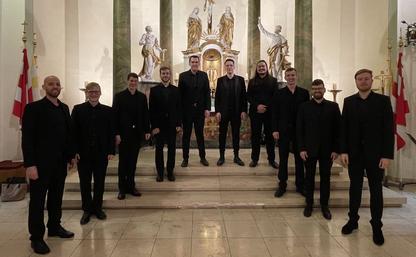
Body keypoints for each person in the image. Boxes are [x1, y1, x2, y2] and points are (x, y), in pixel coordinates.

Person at [22, 75, 75, 255]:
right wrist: (30, 164)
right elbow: (27, 139)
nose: (55, 86)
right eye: (51, 84)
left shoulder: (64, 108)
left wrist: (70, 157)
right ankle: (36, 237)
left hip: (60, 163)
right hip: (40, 164)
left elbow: (68, 135)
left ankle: (54, 226)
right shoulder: (33, 108)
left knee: (56, 197)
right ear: (44, 87)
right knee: (37, 201)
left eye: (58, 84)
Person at [340, 69, 394, 246]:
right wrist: (344, 151)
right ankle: (353, 221)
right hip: (354, 155)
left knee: (376, 190)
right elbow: (344, 129)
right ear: (355, 81)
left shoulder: (383, 101)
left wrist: (387, 155)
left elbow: (388, 130)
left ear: (371, 81)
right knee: (354, 189)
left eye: (366, 79)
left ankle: (376, 226)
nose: (363, 81)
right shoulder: (348, 102)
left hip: (376, 155)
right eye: (360, 79)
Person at [296, 79, 341, 219]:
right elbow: (300, 129)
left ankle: (324, 206)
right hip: (309, 150)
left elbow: (338, 130)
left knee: (325, 179)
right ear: (311, 91)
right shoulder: (304, 107)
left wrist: (336, 149)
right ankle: (308, 205)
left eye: (319, 88)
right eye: (314, 89)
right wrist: (301, 148)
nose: (317, 91)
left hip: (328, 150)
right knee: (308, 178)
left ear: (324, 89)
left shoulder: (333, 107)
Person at [71, 82, 115, 225]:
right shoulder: (78, 110)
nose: (94, 94)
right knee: (85, 182)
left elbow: (111, 132)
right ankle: (87, 210)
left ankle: (98, 208)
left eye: (96, 91)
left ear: (100, 93)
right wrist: (75, 151)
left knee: (99, 182)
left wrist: (111, 151)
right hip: (83, 154)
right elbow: (73, 132)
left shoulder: (108, 111)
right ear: (87, 93)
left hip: (101, 153)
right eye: (91, 91)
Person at [113, 72, 151, 200]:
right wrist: (116, 133)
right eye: (131, 81)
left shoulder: (141, 97)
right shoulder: (119, 96)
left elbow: (146, 114)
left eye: (135, 81)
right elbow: (115, 117)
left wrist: (147, 130)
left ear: (137, 83)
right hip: (123, 135)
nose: (133, 83)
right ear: (127, 81)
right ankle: (122, 189)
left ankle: (131, 186)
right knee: (123, 162)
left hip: (136, 135)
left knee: (133, 162)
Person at [272, 67, 309, 198]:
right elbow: (275, 113)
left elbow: (307, 113)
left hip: (299, 132)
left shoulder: (304, 93)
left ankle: (300, 184)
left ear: (296, 76)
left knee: (300, 159)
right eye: (288, 75)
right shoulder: (279, 93)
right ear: (285, 77)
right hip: (283, 131)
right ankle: (282, 184)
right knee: (283, 159)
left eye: (293, 75)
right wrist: (275, 129)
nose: (291, 78)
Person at [149, 66, 182, 182]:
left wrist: (179, 124)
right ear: (160, 74)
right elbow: (151, 110)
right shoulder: (154, 90)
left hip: (172, 125)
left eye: (167, 73)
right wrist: (154, 127)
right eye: (163, 73)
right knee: (159, 150)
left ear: (170, 75)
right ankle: (160, 173)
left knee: (172, 150)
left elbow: (179, 109)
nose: (166, 75)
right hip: (159, 126)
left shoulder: (176, 90)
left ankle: (170, 171)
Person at [178, 55, 211, 167]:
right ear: (190, 63)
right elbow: (180, 96)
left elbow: (207, 93)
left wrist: (207, 108)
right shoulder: (182, 76)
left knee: (200, 135)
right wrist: (181, 112)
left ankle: (203, 157)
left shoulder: (204, 75)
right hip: (187, 112)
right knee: (186, 136)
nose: (195, 63)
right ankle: (185, 159)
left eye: (197, 62)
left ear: (199, 63)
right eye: (193, 62)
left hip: (200, 111)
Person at [214, 59, 247, 166]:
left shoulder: (240, 80)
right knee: (222, 135)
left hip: (236, 112)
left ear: (234, 67)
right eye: (227, 65)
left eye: (231, 65)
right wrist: (217, 111)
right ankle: (221, 157)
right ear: (225, 67)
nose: (229, 67)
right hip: (223, 113)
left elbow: (243, 97)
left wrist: (243, 110)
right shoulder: (220, 80)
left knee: (236, 135)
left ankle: (236, 156)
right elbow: (217, 97)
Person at [247, 60, 278, 168]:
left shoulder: (273, 81)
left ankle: (272, 159)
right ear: (257, 69)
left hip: (269, 113)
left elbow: (275, 97)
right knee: (255, 136)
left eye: (263, 66)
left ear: (266, 67)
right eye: (259, 66)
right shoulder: (252, 81)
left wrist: (265, 107)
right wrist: (257, 106)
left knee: (270, 137)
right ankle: (254, 159)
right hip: (255, 112)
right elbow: (249, 96)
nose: (261, 68)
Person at [257, 17, 290, 81]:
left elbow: (285, 44)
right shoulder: (272, 35)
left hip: (278, 52)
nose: (276, 29)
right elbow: (264, 31)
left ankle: (279, 79)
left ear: (279, 30)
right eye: (276, 28)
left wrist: (285, 51)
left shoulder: (281, 37)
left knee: (278, 63)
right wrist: (260, 24)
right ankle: (274, 78)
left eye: (277, 28)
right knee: (272, 64)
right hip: (272, 52)